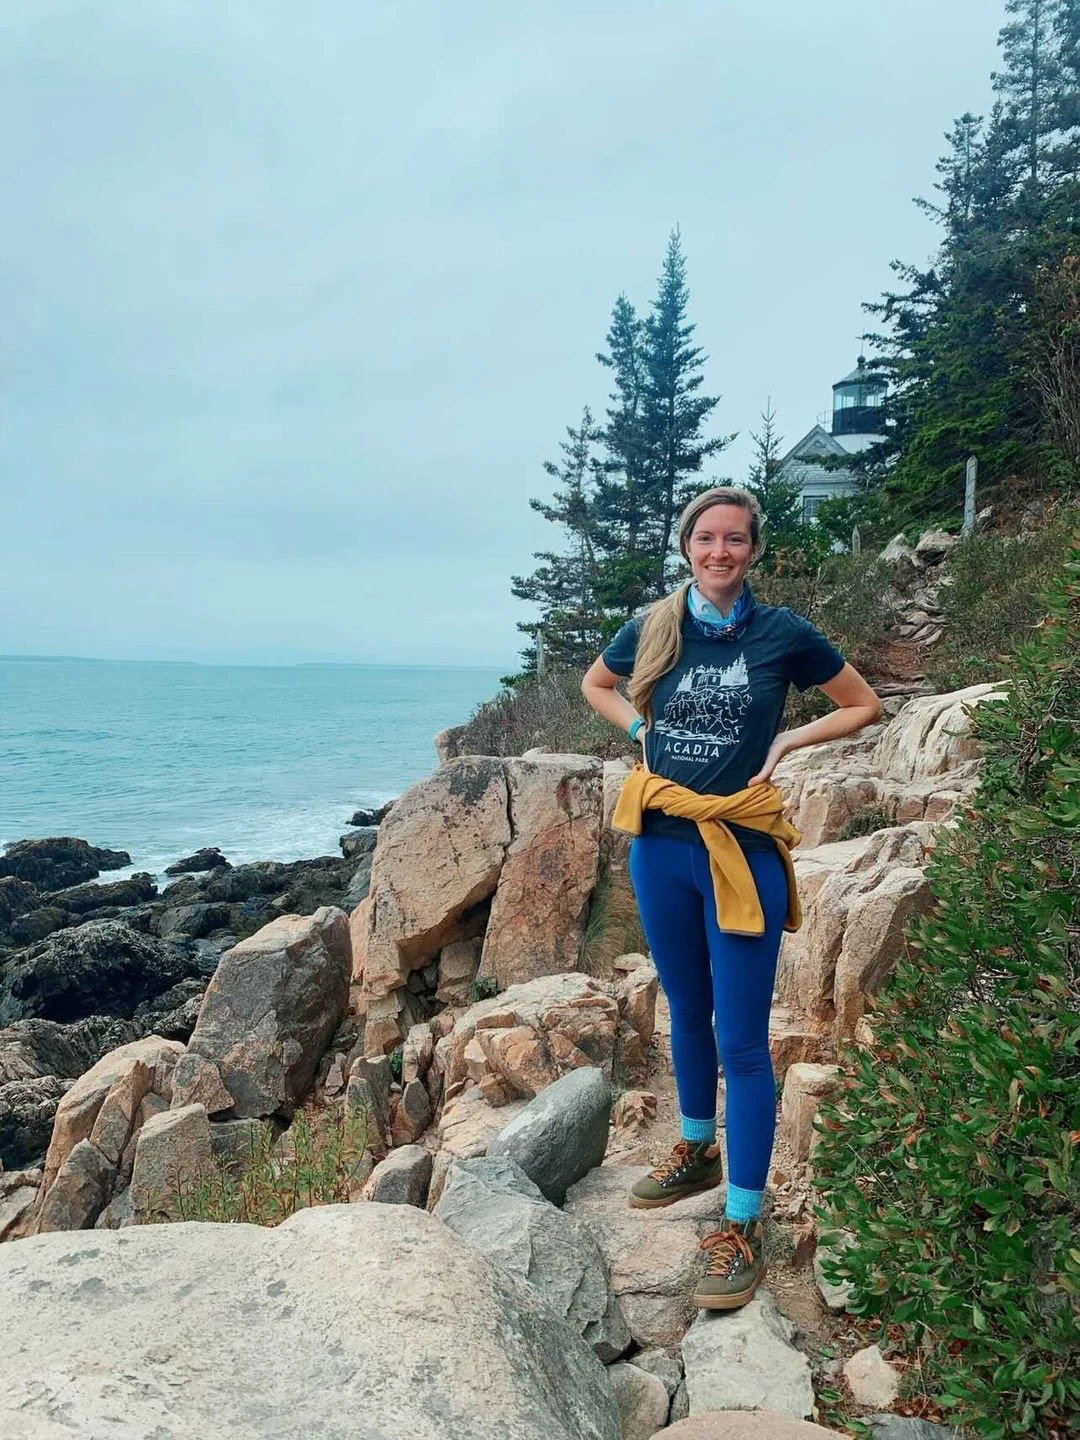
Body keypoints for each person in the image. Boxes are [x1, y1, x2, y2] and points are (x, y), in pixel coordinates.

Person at [581, 485, 882, 1311]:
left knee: (743, 1041)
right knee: (685, 1008)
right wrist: (639, 732)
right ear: (687, 545)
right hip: (660, 845)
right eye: (706, 539)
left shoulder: (782, 633)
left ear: (754, 549)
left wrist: (789, 735)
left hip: (741, 848)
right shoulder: (654, 625)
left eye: (735, 540)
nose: (720, 552)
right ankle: (693, 1145)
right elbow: (597, 684)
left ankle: (744, 1220)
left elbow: (863, 703)